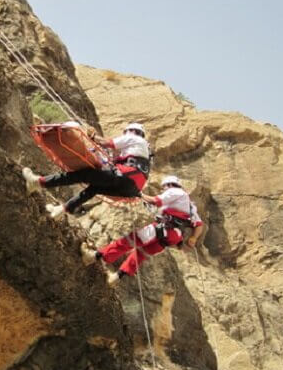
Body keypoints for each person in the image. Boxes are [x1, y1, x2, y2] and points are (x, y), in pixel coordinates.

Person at [81, 175, 204, 286]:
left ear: (169, 184)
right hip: (172, 237)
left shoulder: (175, 191)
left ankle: (92, 256)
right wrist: (193, 238)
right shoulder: (191, 206)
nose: (163, 190)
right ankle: (116, 278)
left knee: (127, 241)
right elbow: (199, 224)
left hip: (162, 228)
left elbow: (156, 201)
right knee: (140, 254)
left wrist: (139, 194)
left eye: (164, 187)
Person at [22, 122, 151, 218]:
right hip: (131, 189)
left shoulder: (134, 138)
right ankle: (62, 210)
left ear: (132, 131)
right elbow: (114, 160)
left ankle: (39, 183)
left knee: (83, 175)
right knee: (94, 188)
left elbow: (106, 143)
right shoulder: (142, 151)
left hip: (126, 177)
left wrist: (93, 136)